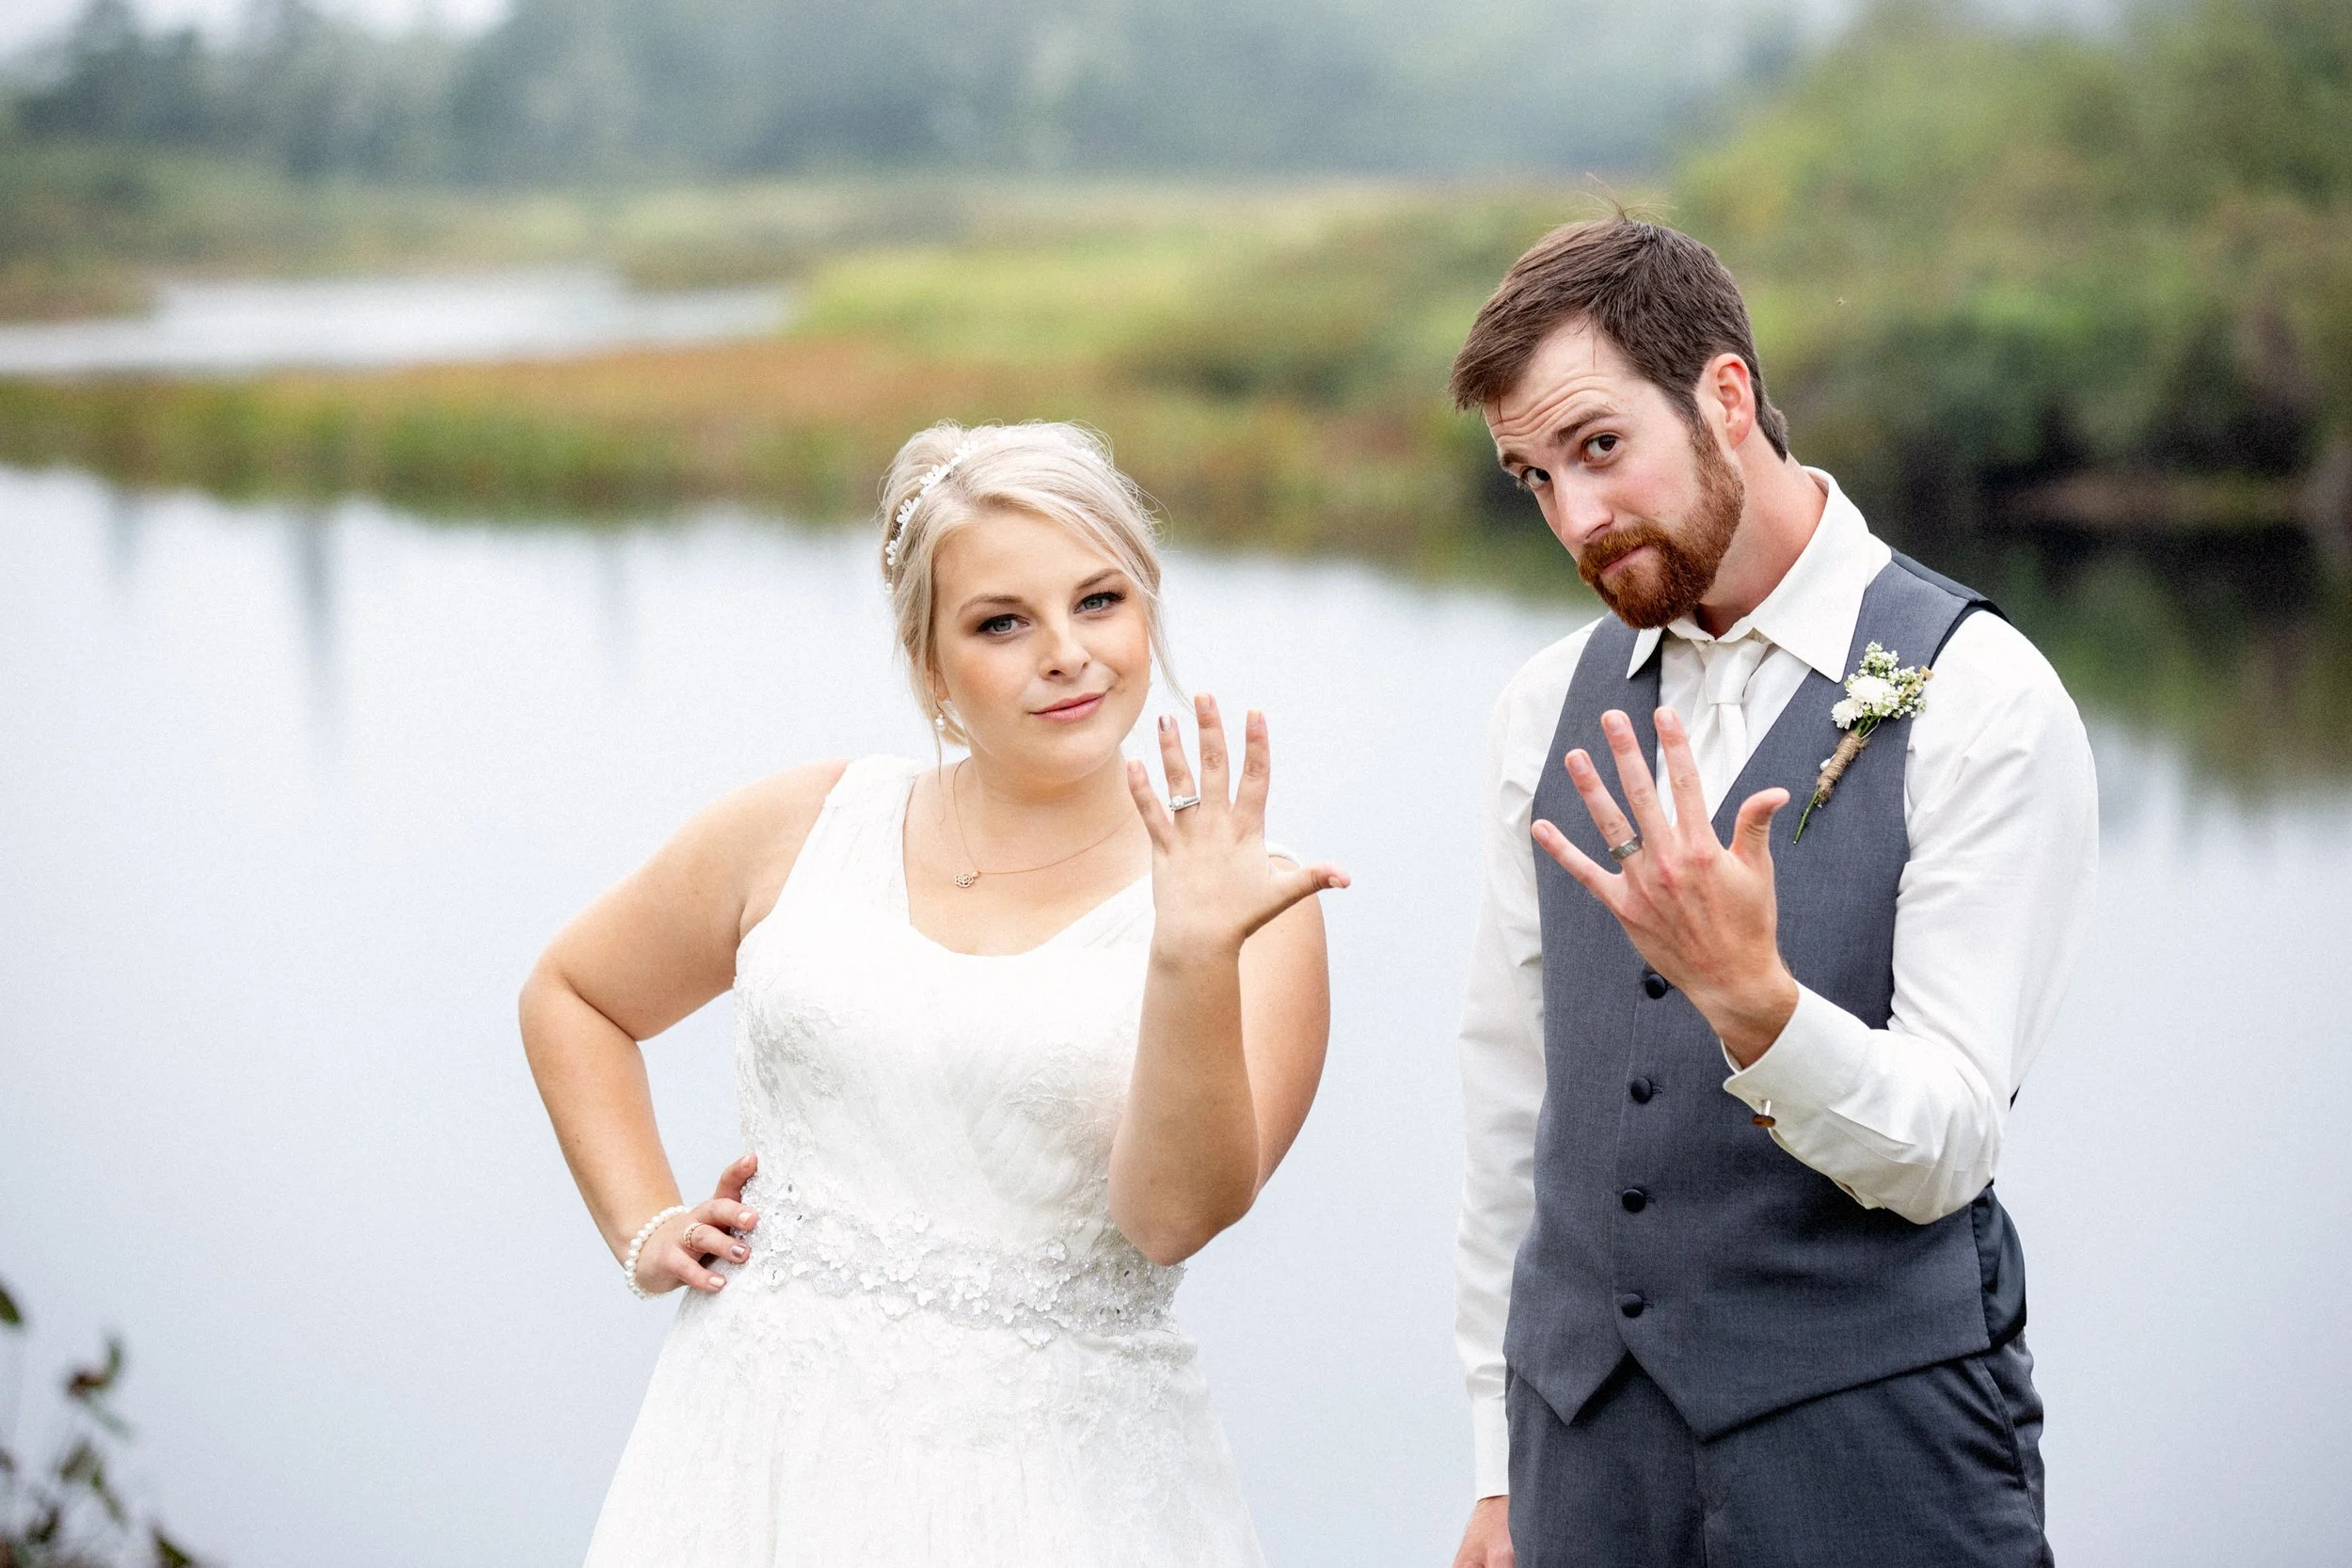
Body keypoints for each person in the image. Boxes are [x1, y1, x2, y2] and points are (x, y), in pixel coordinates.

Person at [518, 420, 1345, 1566]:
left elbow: (1169, 1219)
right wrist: (645, 1220)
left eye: (1099, 600)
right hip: (751, 1452)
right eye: (1002, 621)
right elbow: (575, 993)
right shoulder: (799, 827)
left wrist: (1188, 951)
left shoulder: (1254, 907)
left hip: (1055, 1486)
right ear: (928, 663)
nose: (1066, 652)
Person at [1445, 216, 2098, 1567]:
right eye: (1532, 478)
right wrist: (1499, 1464)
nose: (1575, 515)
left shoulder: (1981, 696)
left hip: (1876, 1454)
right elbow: (1514, 1109)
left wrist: (1757, 1001)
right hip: (1582, 1460)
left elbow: (1947, 1145)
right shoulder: (1537, 713)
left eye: (1599, 447)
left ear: (1726, 395)